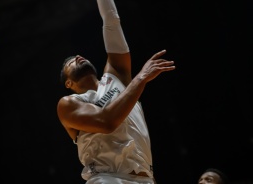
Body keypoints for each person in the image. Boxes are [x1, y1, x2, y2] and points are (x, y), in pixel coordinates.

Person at [57, 0, 175, 183]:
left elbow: (111, 20)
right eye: (70, 62)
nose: (78, 57)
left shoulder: (116, 75)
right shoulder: (69, 103)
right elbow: (106, 122)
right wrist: (141, 77)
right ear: (68, 83)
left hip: (146, 178)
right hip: (107, 177)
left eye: (78, 56)